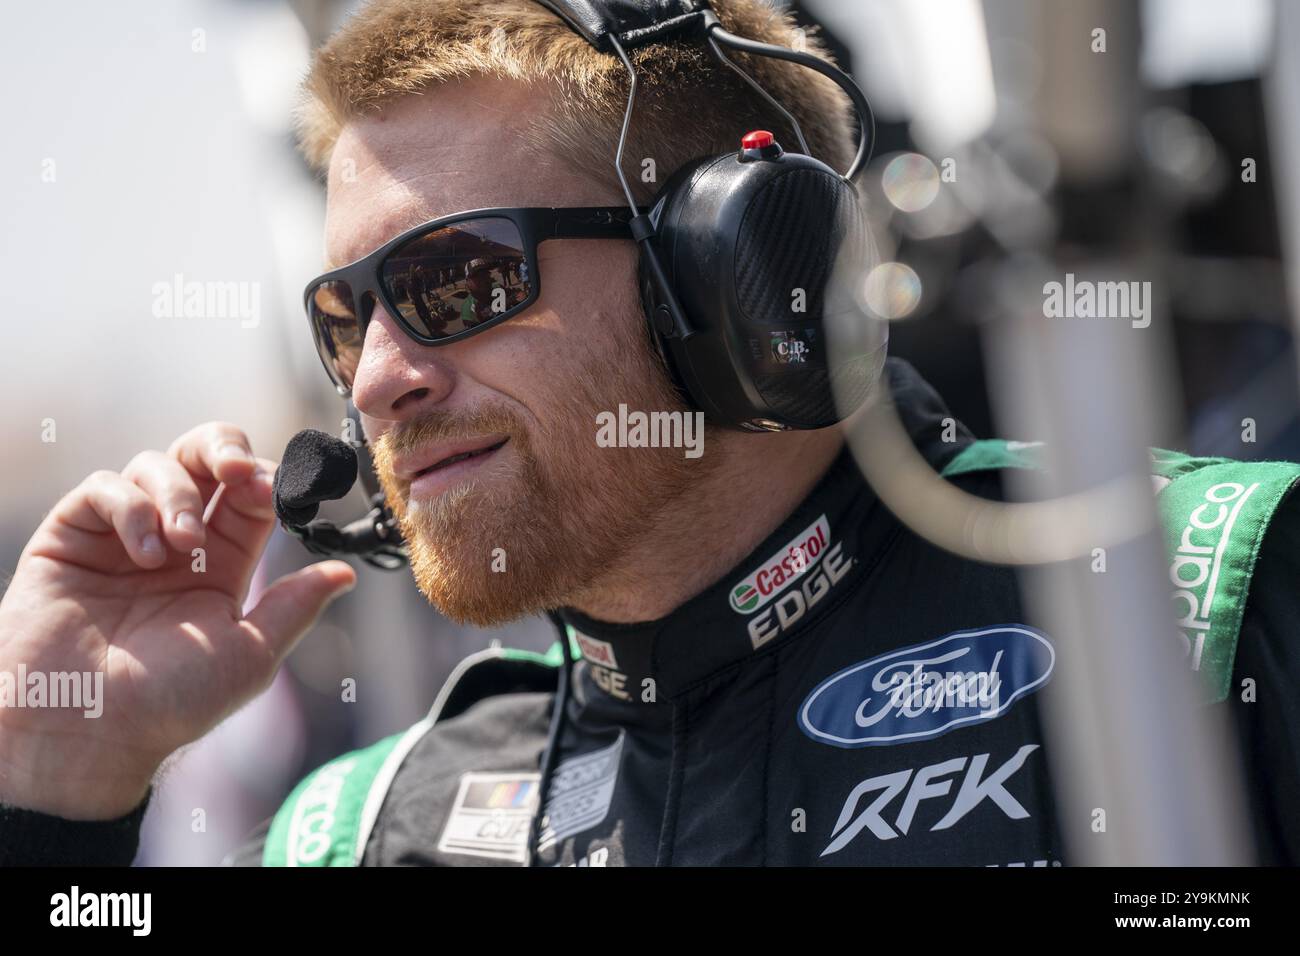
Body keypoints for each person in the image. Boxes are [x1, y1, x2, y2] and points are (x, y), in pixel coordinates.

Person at [2, 0, 1300, 868]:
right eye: (345, 318)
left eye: (456, 285)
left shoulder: (1201, 594)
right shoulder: (358, 826)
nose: (382, 376)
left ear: (736, 276)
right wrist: (62, 796)